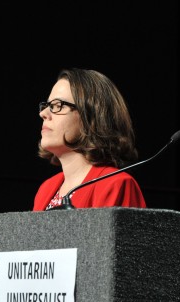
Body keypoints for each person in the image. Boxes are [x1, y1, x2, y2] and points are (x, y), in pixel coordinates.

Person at [33, 68, 146, 210]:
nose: (43, 113)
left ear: (91, 117)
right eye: (47, 106)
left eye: (57, 105)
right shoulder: (46, 189)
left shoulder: (115, 185)